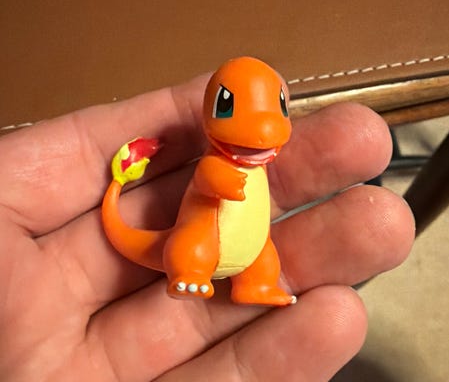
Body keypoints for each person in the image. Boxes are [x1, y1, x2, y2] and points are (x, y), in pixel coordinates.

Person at [0, 73, 415, 381]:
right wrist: (220, 183)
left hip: (250, 246)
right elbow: (206, 181)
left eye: (277, 110)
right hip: (202, 244)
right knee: (192, 246)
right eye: (231, 109)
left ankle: (254, 286)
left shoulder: (257, 168)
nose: (262, 132)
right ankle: (187, 275)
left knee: (264, 256)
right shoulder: (213, 164)